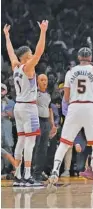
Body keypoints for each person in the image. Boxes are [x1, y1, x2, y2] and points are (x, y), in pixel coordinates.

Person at [48, 47, 93, 193]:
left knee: (64, 143)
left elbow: (66, 98)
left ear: (79, 57)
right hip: (90, 107)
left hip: (74, 108)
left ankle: (55, 171)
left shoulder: (70, 72)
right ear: (91, 57)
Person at [3, 20, 48, 187]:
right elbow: (40, 51)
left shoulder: (16, 66)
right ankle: (27, 176)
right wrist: (43, 31)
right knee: (30, 142)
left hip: (18, 107)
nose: (33, 55)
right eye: (30, 54)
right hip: (28, 108)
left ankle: (18, 176)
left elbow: (10, 53)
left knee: (21, 141)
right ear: (27, 56)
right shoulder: (28, 67)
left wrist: (7, 36)